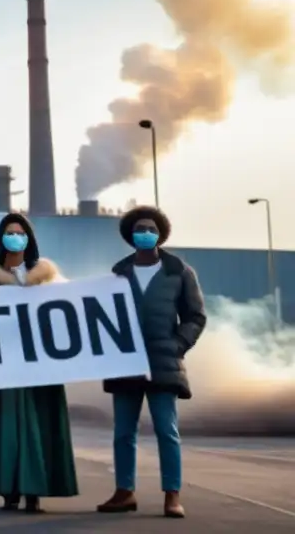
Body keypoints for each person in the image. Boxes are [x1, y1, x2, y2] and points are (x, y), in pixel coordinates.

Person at [97, 206, 207, 519]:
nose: (145, 233)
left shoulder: (179, 271)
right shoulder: (118, 273)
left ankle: (172, 495)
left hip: (163, 362)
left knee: (166, 429)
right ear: (130, 236)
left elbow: (195, 316)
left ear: (160, 233)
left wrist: (178, 345)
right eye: (139, 229)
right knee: (123, 432)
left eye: (150, 229)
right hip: (126, 361)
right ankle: (124, 491)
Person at [0, 213, 79, 513]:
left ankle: (35, 490)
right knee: (5, 423)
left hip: (40, 361)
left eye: (20, 232)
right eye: (9, 232)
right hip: (3, 360)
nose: (14, 237)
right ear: (0, 238)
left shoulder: (46, 273)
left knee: (38, 421)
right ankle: (9, 489)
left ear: (29, 238)